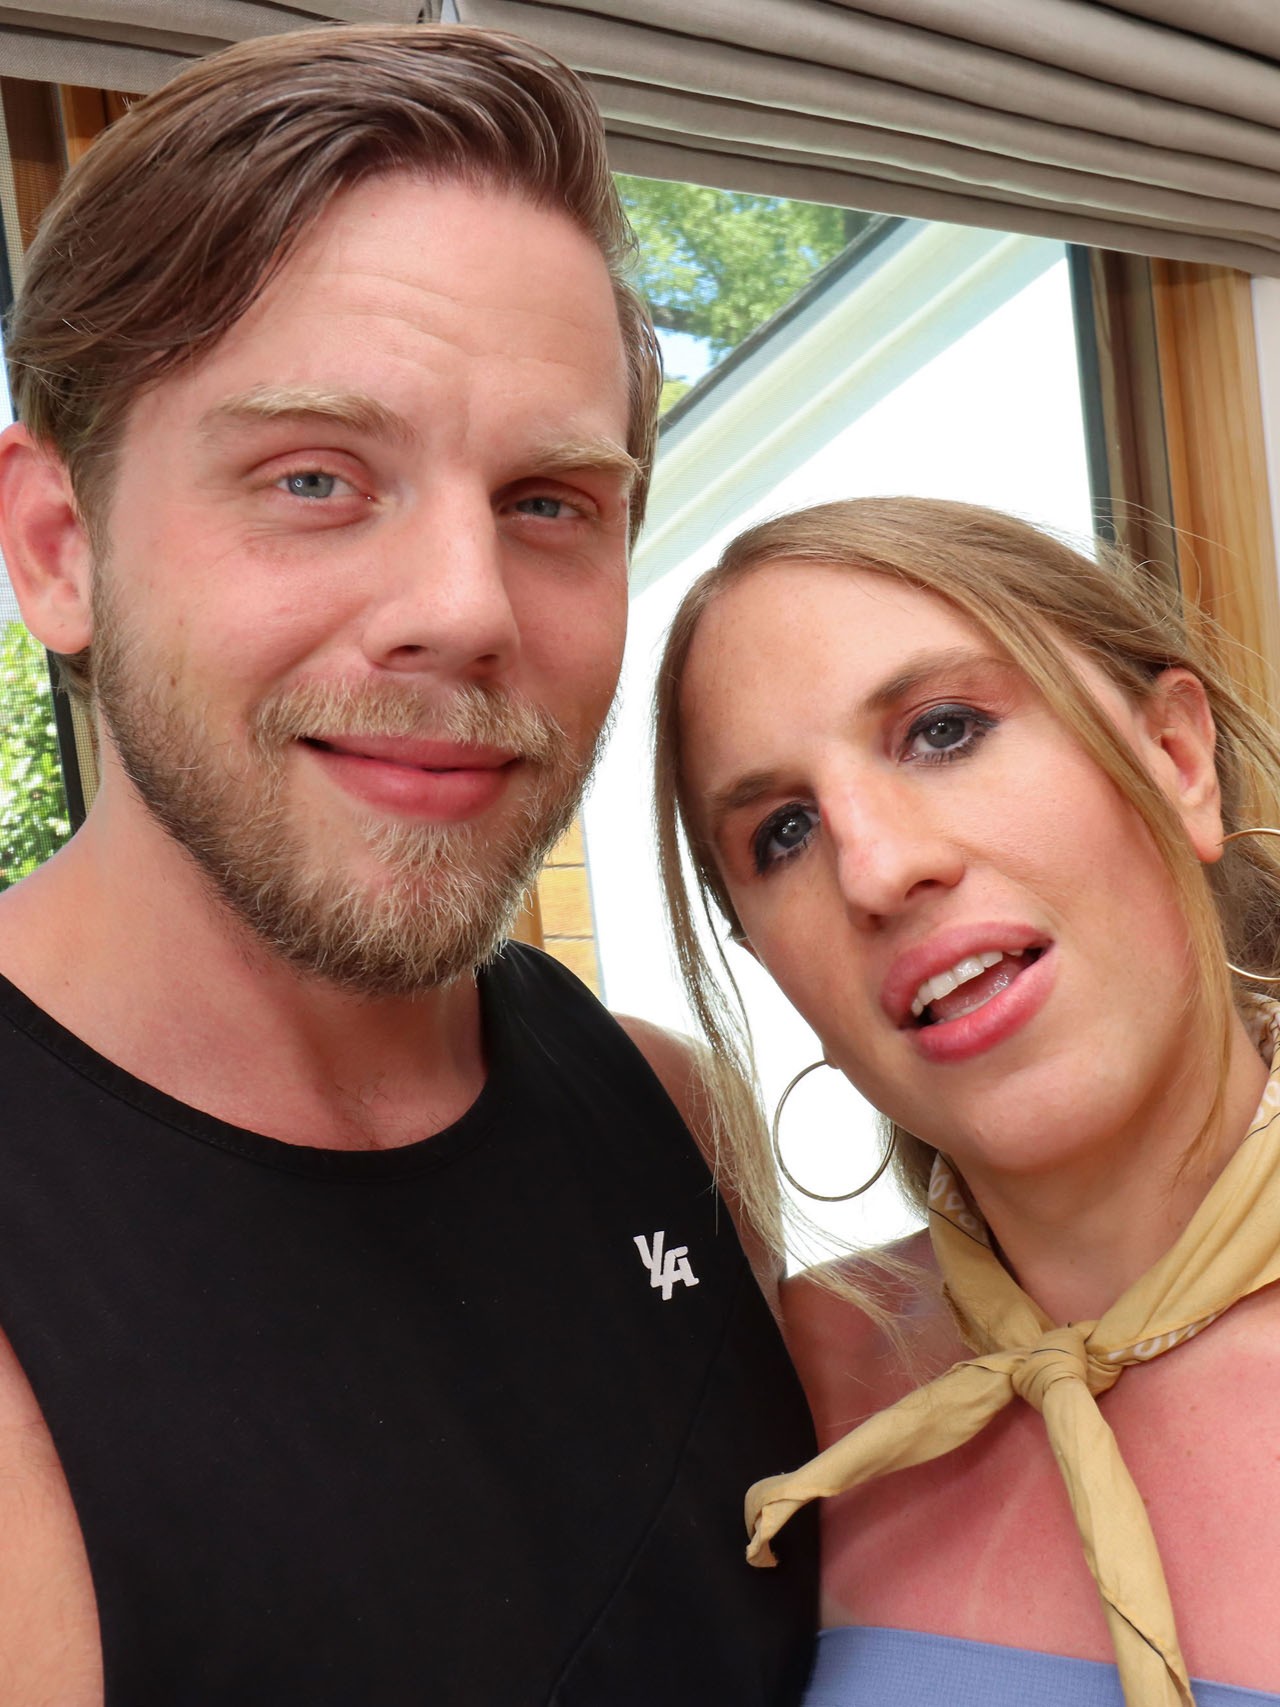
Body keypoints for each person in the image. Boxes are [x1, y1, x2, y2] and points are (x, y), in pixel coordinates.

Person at [0, 24, 818, 1705]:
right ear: (58, 547)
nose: (465, 605)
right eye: (315, 477)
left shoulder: (665, 1111)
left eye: (549, 501)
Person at [654, 494, 1280, 1707]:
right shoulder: (777, 1391)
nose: (877, 869)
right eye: (782, 832)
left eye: (943, 731)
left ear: (1175, 758)